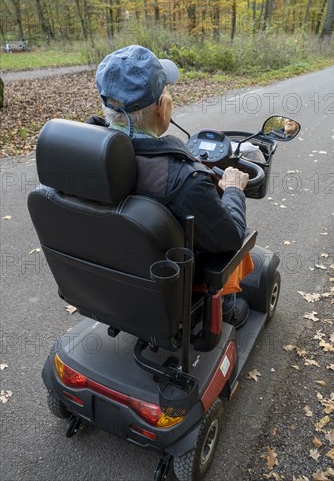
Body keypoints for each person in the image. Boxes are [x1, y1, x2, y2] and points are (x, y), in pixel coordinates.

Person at [91, 45, 253, 328]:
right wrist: (233, 190)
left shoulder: (80, 152)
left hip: (105, 277)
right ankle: (225, 307)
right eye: (167, 92)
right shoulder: (183, 179)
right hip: (168, 284)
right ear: (161, 106)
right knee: (228, 251)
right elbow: (229, 237)